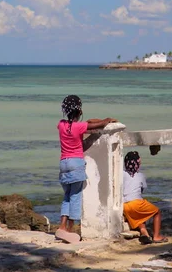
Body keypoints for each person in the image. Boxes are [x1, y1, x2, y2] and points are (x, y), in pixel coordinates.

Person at [55, 95, 117, 244]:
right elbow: (96, 125)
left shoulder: (61, 125)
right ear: (80, 110)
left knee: (67, 196)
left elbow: (87, 123)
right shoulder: (79, 127)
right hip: (76, 163)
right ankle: (70, 230)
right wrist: (107, 120)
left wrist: (92, 121)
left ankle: (62, 226)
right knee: (75, 196)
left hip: (64, 163)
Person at [123, 151, 167, 244]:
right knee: (156, 212)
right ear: (138, 163)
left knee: (138, 216)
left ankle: (144, 232)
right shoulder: (141, 175)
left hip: (125, 206)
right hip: (136, 203)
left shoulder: (122, 174)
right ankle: (156, 236)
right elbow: (141, 190)